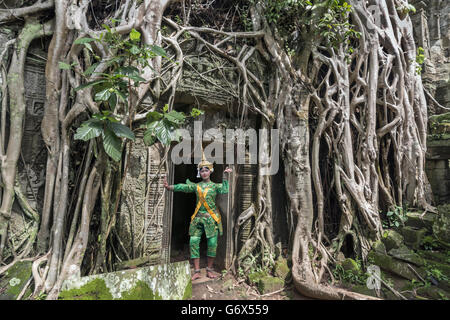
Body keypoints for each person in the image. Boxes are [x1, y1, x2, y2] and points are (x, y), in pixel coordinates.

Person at [164, 156, 232, 281]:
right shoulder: (196, 186)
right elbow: (184, 187)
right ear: (199, 173)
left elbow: (225, 189)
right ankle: (196, 271)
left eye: (206, 170)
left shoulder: (215, 186)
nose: (204, 173)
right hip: (197, 219)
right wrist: (170, 187)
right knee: (193, 242)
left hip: (211, 219)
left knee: (212, 244)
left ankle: (209, 269)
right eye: (202, 171)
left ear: (210, 171)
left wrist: (225, 176)